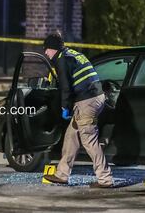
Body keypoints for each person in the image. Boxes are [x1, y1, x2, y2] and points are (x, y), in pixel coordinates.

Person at [41, 32, 113, 188]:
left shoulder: (61, 60)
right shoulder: (73, 54)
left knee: (89, 140)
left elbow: (66, 88)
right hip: (95, 98)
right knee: (71, 136)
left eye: (46, 49)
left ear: (53, 48)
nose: (45, 53)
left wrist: (64, 107)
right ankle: (62, 174)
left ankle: (105, 178)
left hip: (86, 102)